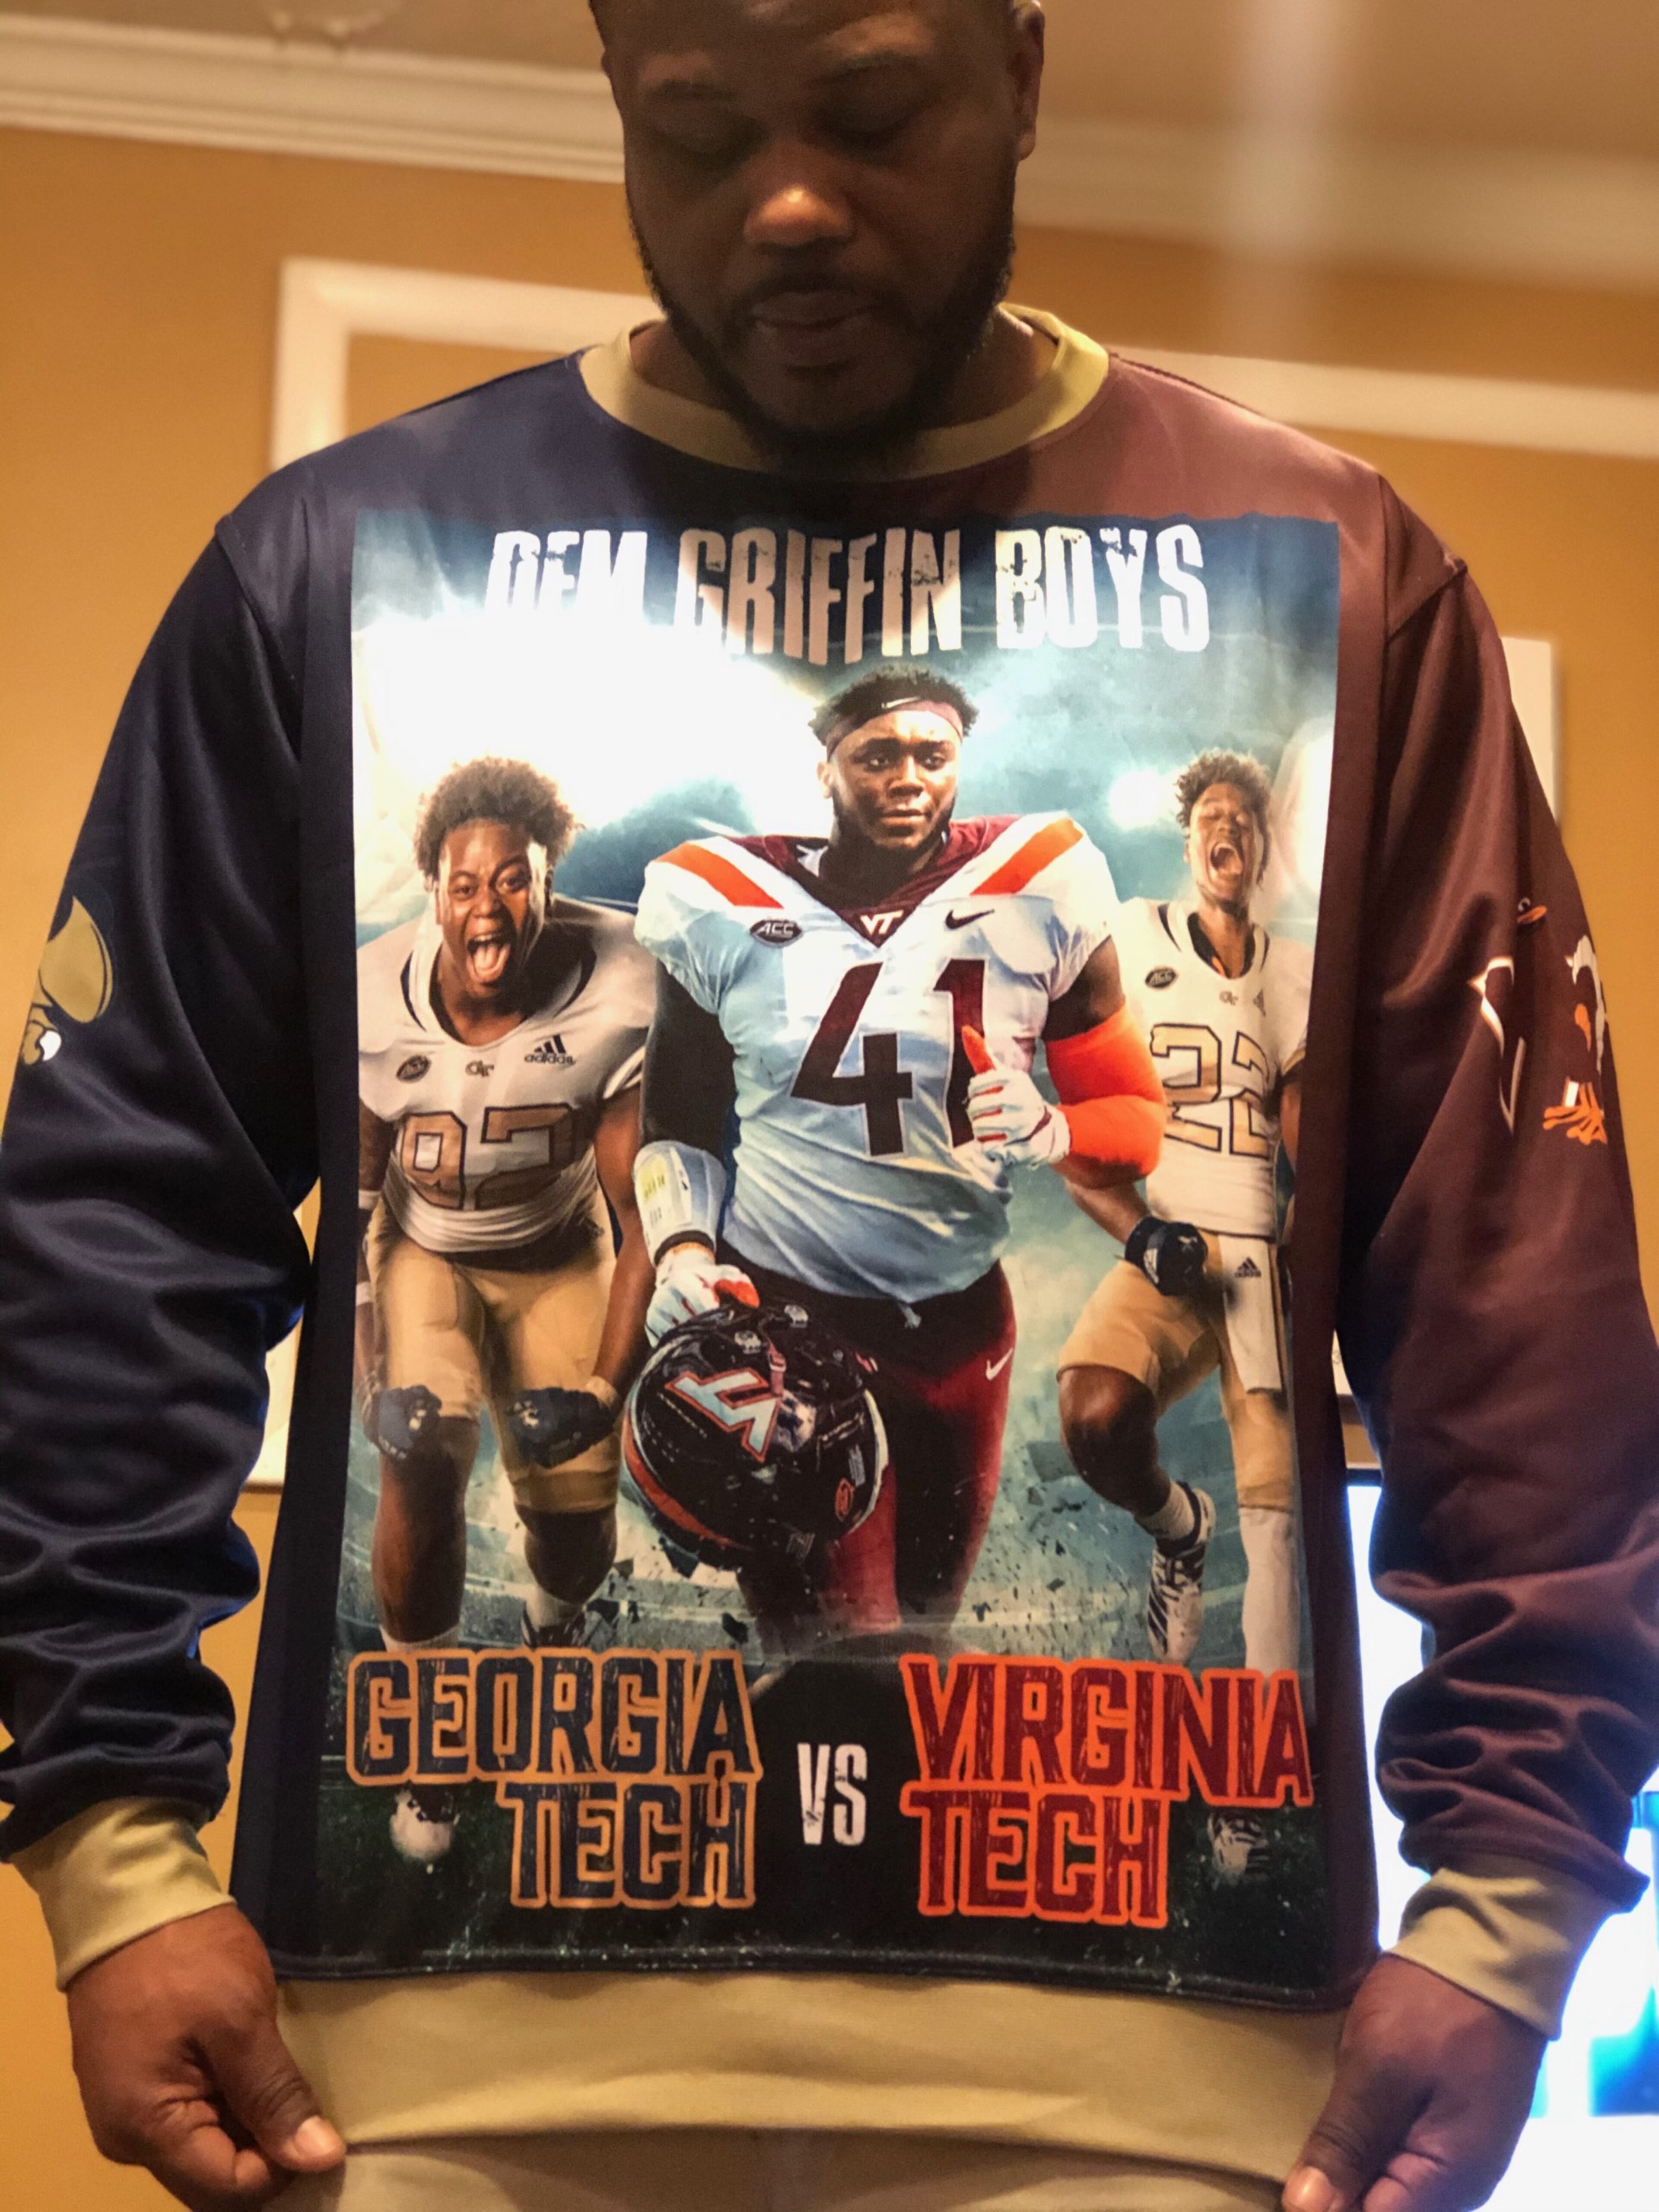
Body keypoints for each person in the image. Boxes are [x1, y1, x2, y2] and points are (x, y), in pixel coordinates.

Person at [3, 5, 1657, 2212]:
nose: (788, 195)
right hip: (436, 2070)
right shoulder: (335, 564)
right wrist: (106, 1839)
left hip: (1155, 2077)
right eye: (698, 132)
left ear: (1024, 76)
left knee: (931, 1595)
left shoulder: (1331, 568)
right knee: (689, 1550)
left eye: (871, 112)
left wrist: (1511, 1897)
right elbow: (111, 1219)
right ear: (613, 100)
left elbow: (1508, 1278)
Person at [629, 670, 1163, 1652]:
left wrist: (1056, 1130)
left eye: (933, 756)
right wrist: (678, 1251)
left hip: (962, 1326)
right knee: (837, 1650)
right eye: (878, 757)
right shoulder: (721, 898)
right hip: (793, 1311)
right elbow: (678, 1118)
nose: (908, 778)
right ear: (826, 766)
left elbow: (1137, 1121)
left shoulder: (1041, 877)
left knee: (920, 1635)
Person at [356, 755, 655, 1859]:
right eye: (464, 881)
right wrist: (369, 1367)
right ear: (433, 887)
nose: (488, 904)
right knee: (421, 1448)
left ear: (548, 882)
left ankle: (553, 1627)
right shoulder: (372, 991)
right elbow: (353, 1207)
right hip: (426, 1249)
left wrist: (603, 1386)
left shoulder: (621, 974)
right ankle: (427, 1739)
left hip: (564, 1251)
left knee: (575, 1520)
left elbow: (641, 1222)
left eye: (513, 880)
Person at [1058, 751, 1309, 1877]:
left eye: (1247, 825)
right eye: (1214, 819)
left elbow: (1309, 1140)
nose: (1230, 839)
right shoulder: (1131, 937)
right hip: (1171, 1245)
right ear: (1190, 834)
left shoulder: (1292, 973)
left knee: (1282, 1526)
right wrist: (1134, 1227)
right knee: (1096, 1415)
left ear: (1265, 848)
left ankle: (1246, 1798)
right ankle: (1175, 1535)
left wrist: (1312, 1259)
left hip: (1265, 1258)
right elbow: (1084, 1127)